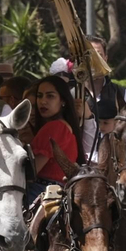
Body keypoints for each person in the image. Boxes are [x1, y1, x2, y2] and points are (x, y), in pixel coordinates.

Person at [25, 75, 81, 204]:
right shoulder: (64, 126)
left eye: (50, 96)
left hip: (41, 192)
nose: (43, 101)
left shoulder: (55, 126)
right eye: (39, 96)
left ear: (63, 101)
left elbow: (31, 171)